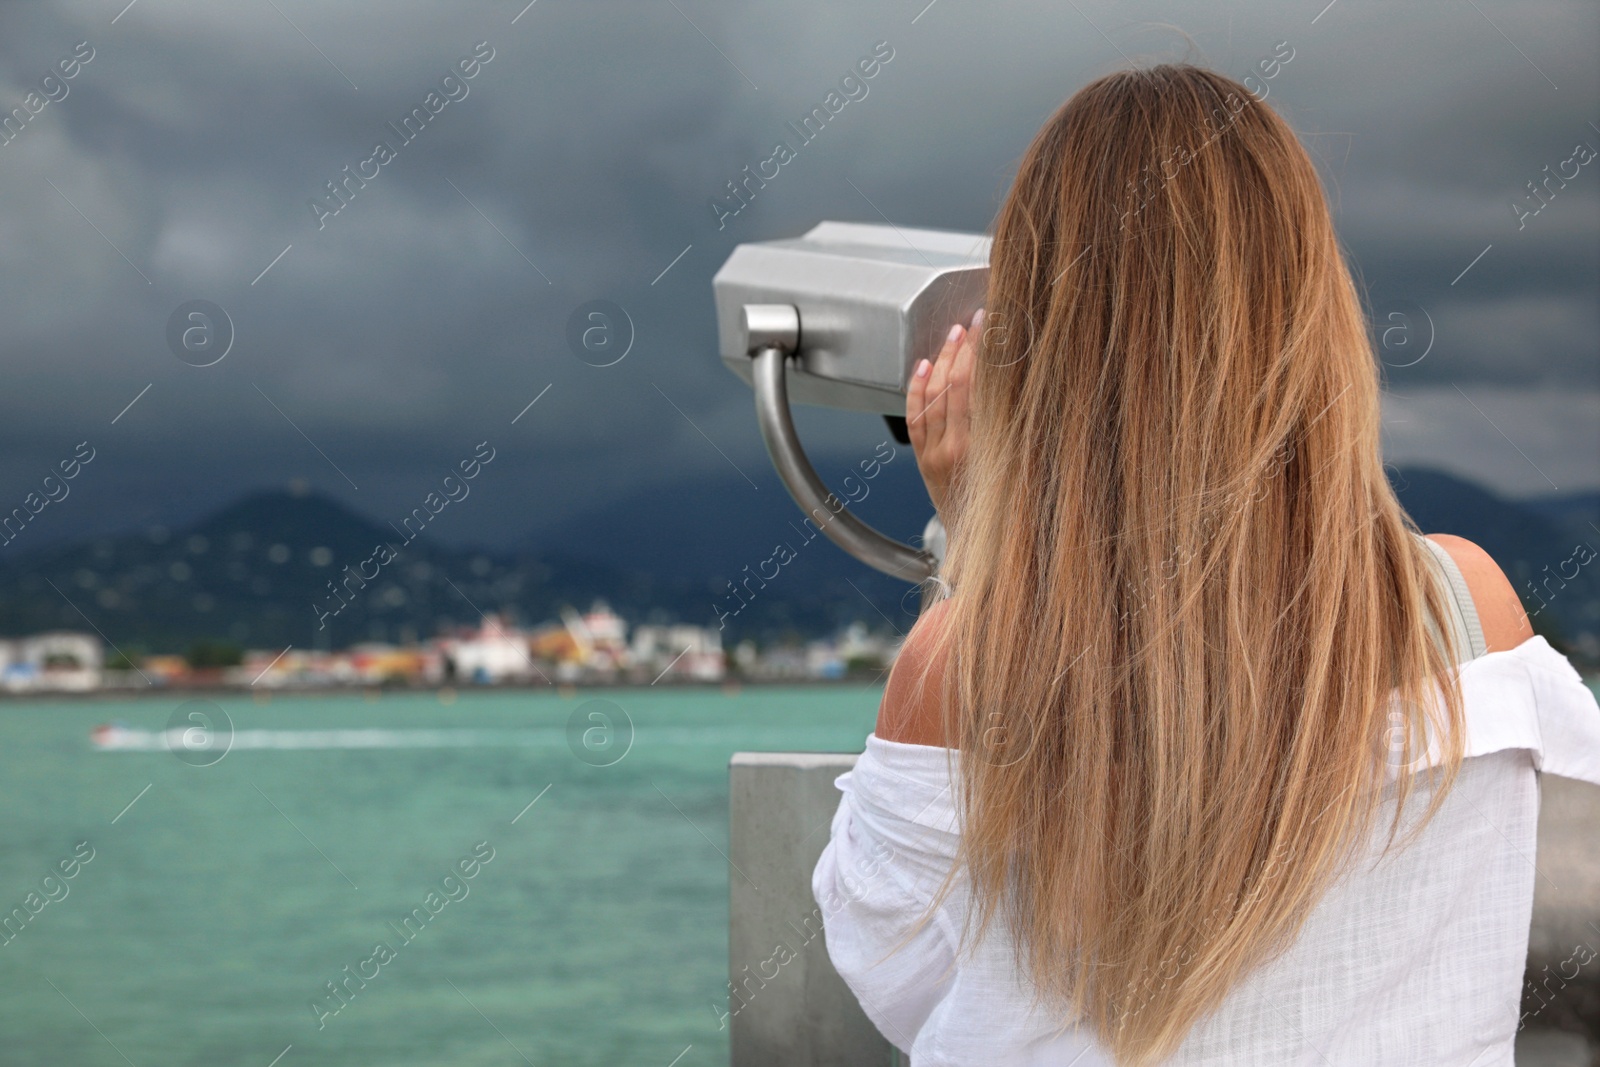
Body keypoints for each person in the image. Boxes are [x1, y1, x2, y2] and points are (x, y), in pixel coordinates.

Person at [812, 64, 1600, 1066]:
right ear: (1311, 309)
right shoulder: (1462, 604)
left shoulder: (959, 659)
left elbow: (891, 964)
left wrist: (977, 543)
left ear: (1045, 339)